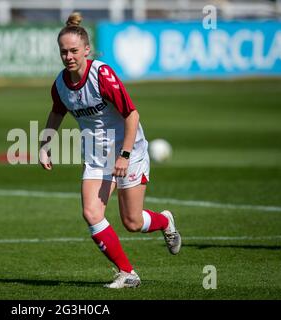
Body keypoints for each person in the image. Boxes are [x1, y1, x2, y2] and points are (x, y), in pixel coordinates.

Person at [39, 12, 181, 289]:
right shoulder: (60, 84)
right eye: (63, 51)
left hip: (129, 149)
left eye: (74, 51)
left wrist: (124, 156)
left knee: (132, 221)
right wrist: (45, 145)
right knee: (91, 213)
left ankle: (165, 221)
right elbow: (57, 113)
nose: (68, 56)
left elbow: (132, 116)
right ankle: (128, 273)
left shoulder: (101, 75)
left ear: (86, 50)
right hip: (96, 155)